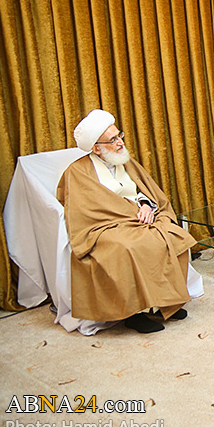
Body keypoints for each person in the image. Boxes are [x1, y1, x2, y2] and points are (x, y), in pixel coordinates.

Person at [58, 110, 196, 333]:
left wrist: (146, 205)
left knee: (173, 235)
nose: (120, 142)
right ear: (96, 148)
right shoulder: (78, 171)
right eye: (112, 140)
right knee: (128, 247)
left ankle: (166, 303)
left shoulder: (125, 160)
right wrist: (128, 213)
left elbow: (144, 189)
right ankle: (134, 314)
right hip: (105, 225)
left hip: (140, 217)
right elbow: (82, 209)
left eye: (119, 135)